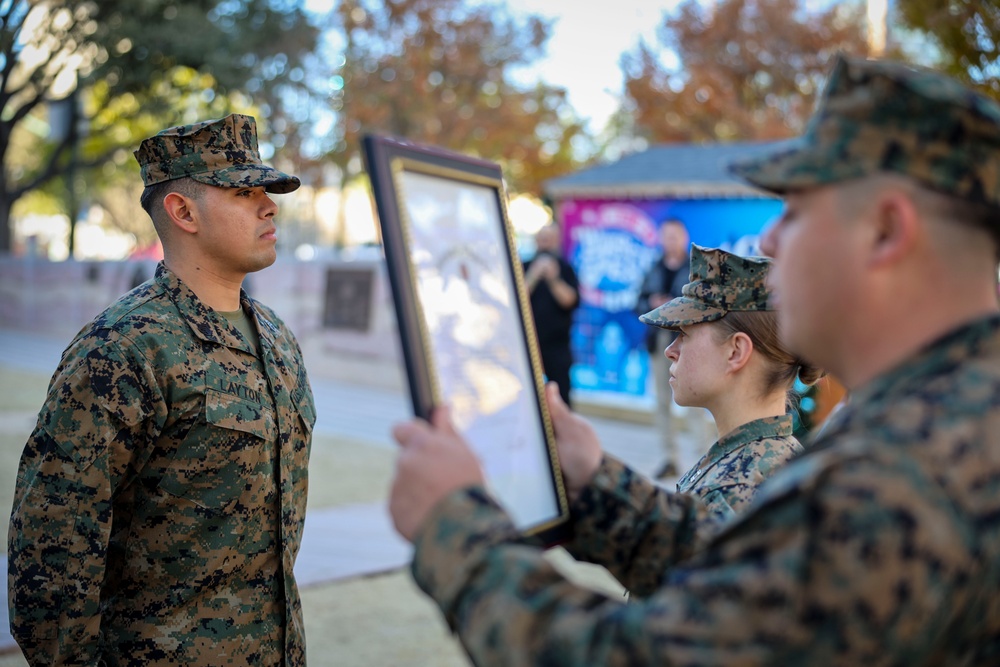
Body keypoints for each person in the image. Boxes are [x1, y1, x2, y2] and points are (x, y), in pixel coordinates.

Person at [386, 53, 1000, 664]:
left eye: (799, 210)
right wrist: (596, 488)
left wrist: (455, 528)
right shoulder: (951, 416)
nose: (769, 241)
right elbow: (748, 577)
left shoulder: (907, 472)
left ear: (886, 231)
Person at [8, 114, 316, 665]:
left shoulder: (276, 338)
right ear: (182, 211)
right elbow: (51, 558)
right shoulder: (121, 349)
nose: (269, 206)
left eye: (266, 191)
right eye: (244, 191)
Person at [640, 244, 822, 522]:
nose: (671, 350)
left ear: (735, 352)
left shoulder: (730, 492)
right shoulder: (778, 458)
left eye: (684, 334)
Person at [635, 219, 694, 478]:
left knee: (695, 398)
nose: (670, 240)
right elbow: (637, 303)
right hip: (658, 340)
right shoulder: (653, 268)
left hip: (689, 340)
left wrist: (676, 305)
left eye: (675, 236)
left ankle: (702, 456)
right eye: (666, 236)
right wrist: (652, 302)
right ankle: (669, 458)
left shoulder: (696, 268)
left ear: (683, 237)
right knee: (661, 400)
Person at [523, 223, 579, 407]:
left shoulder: (565, 268)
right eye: (542, 239)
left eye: (550, 239)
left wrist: (553, 278)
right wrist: (533, 275)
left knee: (561, 398)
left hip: (557, 346)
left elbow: (570, 300)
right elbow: (515, 299)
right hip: (527, 344)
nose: (545, 243)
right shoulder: (523, 267)